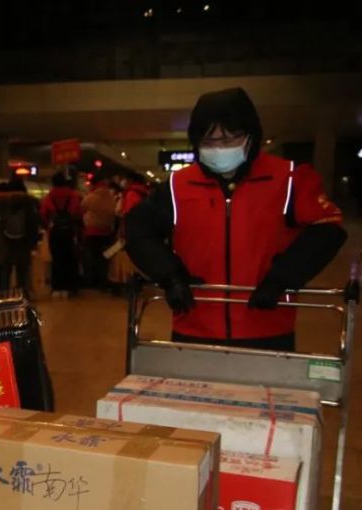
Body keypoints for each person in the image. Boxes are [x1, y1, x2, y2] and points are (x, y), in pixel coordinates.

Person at [127, 87, 345, 351]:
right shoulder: (176, 186)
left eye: (230, 139)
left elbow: (327, 228)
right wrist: (170, 275)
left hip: (268, 325)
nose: (219, 148)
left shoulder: (289, 179)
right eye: (209, 141)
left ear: (251, 135)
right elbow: (138, 230)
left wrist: (281, 279)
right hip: (195, 327)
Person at [0, 177, 41, 294]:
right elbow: (33, 223)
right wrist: (34, 243)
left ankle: (4, 295)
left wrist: (0, 225)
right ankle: (22, 295)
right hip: (23, 242)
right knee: (22, 271)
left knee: (5, 271)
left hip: (4, 241)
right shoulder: (28, 203)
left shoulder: (1, 202)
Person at [41, 171, 83, 297]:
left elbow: (43, 214)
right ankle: (70, 287)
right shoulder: (73, 195)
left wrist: (48, 224)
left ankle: (57, 287)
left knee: (57, 258)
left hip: (55, 231)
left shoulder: (50, 195)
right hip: (69, 231)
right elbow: (78, 213)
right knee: (70, 258)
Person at [80, 179, 117, 289]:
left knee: (91, 257)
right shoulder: (111, 198)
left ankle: (92, 280)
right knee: (105, 258)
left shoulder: (91, 197)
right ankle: (103, 281)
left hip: (92, 232)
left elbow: (81, 208)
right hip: (107, 232)